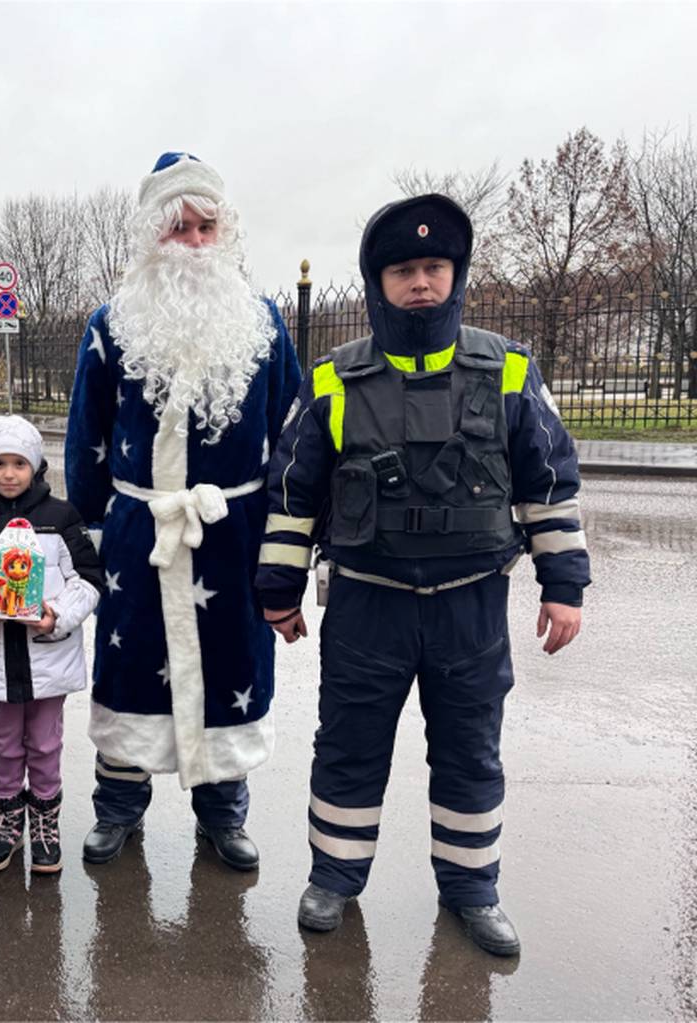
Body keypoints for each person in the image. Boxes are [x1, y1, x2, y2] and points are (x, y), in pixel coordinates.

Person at [257, 193, 589, 956]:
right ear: (380, 284)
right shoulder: (333, 379)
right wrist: (277, 589)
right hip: (367, 607)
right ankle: (334, 877)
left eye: (434, 267)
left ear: (456, 273)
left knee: (471, 748)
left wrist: (564, 586)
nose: (421, 283)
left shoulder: (507, 370)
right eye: (403, 270)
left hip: (469, 608)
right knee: (347, 745)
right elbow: (291, 491)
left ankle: (473, 889)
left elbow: (548, 482)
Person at [65, 152, 302, 871]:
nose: (196, 244)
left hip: (234, 539)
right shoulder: (112, 325)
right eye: (180, 230)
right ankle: (118, 811)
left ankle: (222, 815)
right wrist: (103, 530)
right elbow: (86, 438)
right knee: (130, 669)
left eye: (207, 228)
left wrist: (286, 545)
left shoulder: (261, 323)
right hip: (142, 537)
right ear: (152, 237)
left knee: (232, 668)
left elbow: (294, 435)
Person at [0, 415, 103, 874]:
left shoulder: (59, 518)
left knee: (46, 743)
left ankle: (46, 821)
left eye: (20, 464)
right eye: (0, 463)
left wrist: (58, 615)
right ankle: (7, 820)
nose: (9, 473)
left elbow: (87, 580)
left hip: (47, 657)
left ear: (36, 467)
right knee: (5, 741)